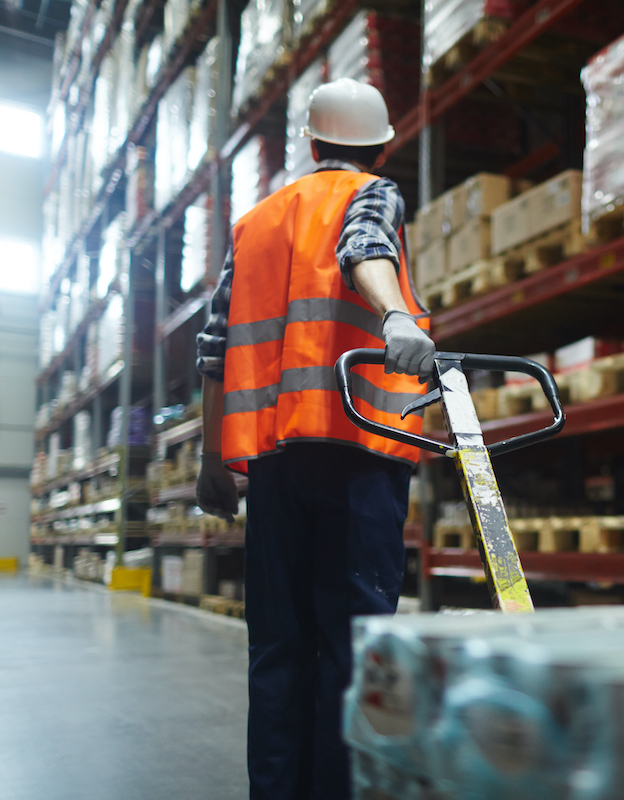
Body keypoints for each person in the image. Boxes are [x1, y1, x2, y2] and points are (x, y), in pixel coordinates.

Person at [193, 78, 434, 799]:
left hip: (272, 463)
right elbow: (365, 246)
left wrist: (214, 459)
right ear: (381, 144)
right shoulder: (374, 192)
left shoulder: (257, 222)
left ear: (311, 142)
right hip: (356, 456)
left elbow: (214, 344)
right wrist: (396, 315)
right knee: (354, 646)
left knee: (277, 647)